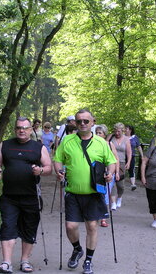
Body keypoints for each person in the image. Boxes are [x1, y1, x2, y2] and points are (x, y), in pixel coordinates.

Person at [54, 109, 116, 274]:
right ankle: (77, 249)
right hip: (72, 192)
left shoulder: (101, 143)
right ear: (75, 122)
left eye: (86, 121)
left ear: (93, 122)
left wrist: (110, 173)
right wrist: (59, 172)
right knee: (70, 226)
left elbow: (111, 161)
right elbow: (58, 159)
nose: (82, 124)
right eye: (79, 121)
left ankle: (88, 260)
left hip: (94, 192)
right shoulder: (67, 140)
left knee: (91, 227)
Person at [0, 116, 52, 273]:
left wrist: (40, 171)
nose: (21, 130)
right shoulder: (5, 145)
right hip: (9, 196)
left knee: (29, 228)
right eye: (18, 128)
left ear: (30, 130)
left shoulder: (38, 147)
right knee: (7, 226)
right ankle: (6, 263)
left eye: (25, 128)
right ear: (15, 129)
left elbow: (48, 168)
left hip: (31, 196)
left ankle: (25, 261)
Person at [95, 124, 120, 227]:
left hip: (107, 173)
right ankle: (94, 215)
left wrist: (117, 172)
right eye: (96, 132)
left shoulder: (109, 144)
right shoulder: (92, 144)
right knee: (95, 194)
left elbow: (116, 159)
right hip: (95, 173)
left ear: (104, 135)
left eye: (100, 133)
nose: (97, 134)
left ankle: (103, 218)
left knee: (105, 195)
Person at [109, 123, 132, 210]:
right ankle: (113, 202)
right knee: (112, 183)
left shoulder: (126, 139)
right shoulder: (111, 137)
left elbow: (129, 152)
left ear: (122, 131)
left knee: (120, 185)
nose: (117, 133)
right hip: (111, 162)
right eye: (115, 131)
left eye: (118, 131)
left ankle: (119, 197)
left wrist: (129, 162)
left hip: (122, 162)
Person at [125, 125, 143, 191]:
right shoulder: (122, 137)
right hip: (123, 156)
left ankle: (133, 184)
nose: (124, 130)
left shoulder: (135, 137)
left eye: (126, 128)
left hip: (132, 156)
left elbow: (138, 146)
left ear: (130, 130)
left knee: (131, 169)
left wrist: (141, 155)